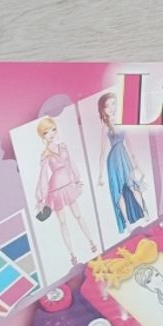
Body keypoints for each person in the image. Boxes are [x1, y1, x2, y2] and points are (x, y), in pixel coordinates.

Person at [35, 117, 97, 267]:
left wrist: (77, 179)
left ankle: (91, 242)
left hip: (68, 184)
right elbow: (43, 176)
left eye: (53, 130)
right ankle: (72, 254)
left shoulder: (63, 146)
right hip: (55, 189)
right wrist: (41, 197)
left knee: (78, 215)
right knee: (63, 222)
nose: (51, 134)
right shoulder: (45, 154)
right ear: (42, 135)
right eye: (46, 132)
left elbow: (71, 163)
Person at [98, 91, 148, 234]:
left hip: (124, 158)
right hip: (113, 161)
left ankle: (144, 211)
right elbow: (102, 152)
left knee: (133, 187)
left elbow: (130, 145)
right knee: (119, 193)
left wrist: (137, 164)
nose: (111, 108)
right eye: (107, 106)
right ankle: (126, 221)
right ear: (103, 110)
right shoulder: (105, 128)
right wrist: (100, 174)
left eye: (113, 104)